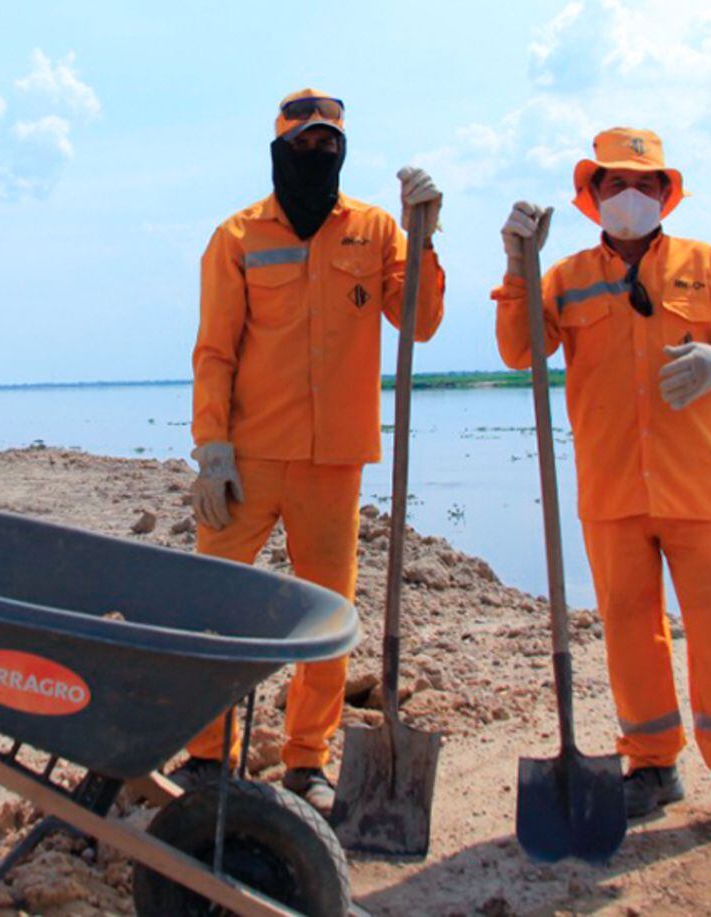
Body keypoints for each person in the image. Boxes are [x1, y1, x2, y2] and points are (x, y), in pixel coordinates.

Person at [493, 127, 711, 844]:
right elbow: (519, 351)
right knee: (631, 630)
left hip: (699, 490)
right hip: (612, 489)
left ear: (667, 192)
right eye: (616, 183)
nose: (631, 195)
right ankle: (653, 765)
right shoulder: (562, 276)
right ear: (592, 196)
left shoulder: (709, 267)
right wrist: (517, 269)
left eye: (645, 183)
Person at [179, 89, 446, 814]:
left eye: (327, 143)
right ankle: (206, 755)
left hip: (334, 463)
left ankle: (307, 760)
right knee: (214, 610)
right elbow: (214, 350)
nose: (315, 153)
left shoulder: (375, 230)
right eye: (302, 143)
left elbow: (417, 322)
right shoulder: (236, 236)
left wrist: (424, 239)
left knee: (327, 620)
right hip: (249, 461)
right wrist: (212, 448)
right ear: (278, 150)